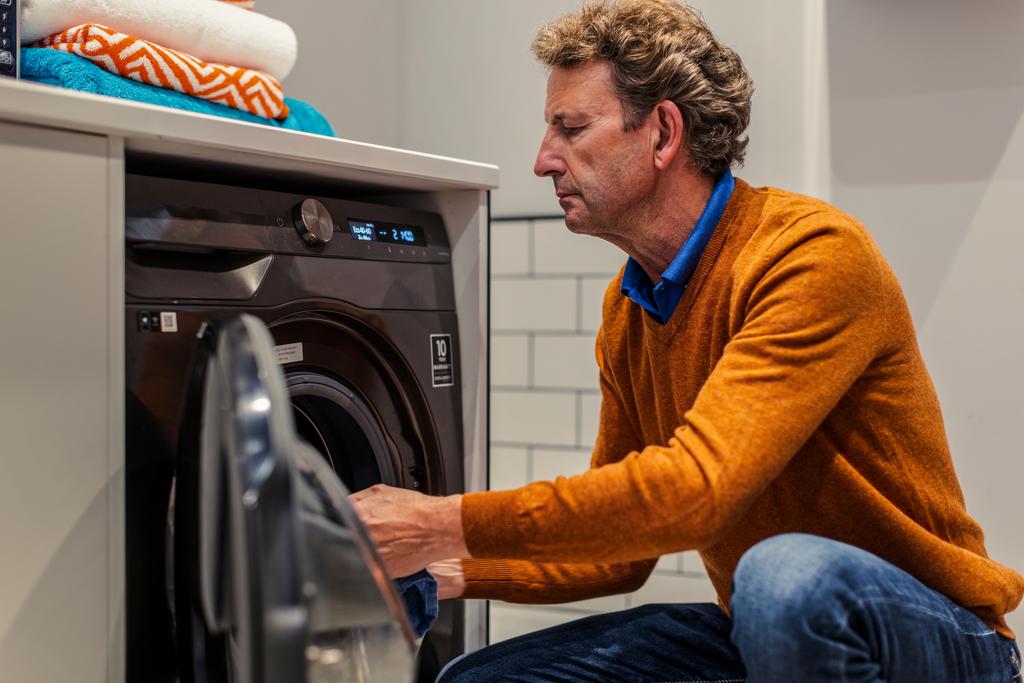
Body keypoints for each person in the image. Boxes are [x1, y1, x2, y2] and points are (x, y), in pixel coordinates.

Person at [350, 1, 1024, 680]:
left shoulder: (810, 254)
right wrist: (438, 566)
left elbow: (697, 491)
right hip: (767, 630)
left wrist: (441, 519)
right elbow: (618, 552)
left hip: (941, 641)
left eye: (571, 128)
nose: (541, 160)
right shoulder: (630, 306)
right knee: (478, 678)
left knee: (782, 575)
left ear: (664, 133)